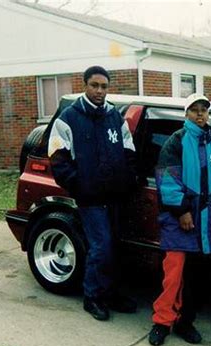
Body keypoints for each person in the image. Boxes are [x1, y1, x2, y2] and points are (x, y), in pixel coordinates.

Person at [48, 65, 137, 321]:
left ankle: (113, 294)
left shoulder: (115, 118)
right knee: (101, 247)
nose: (99, 91)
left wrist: (127, 180)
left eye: (104, 86)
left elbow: (129, 151)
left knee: (116, 246)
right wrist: (80, 185)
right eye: (94, 85)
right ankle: (93, 297)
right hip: (90, 198)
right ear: (85, 85)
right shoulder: (69, 118)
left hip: (116, 196)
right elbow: (58, 158)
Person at [149, 93, 211, 346]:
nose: (200, 114)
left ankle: (185, 322)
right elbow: (167, 179)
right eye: (195, 110)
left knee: (197, 278)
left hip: (207, 221)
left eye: (204, 110)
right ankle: (162, 323)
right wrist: (182, 211)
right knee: (173, 275)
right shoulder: (176, 142)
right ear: (186, 113)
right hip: (180, 220)